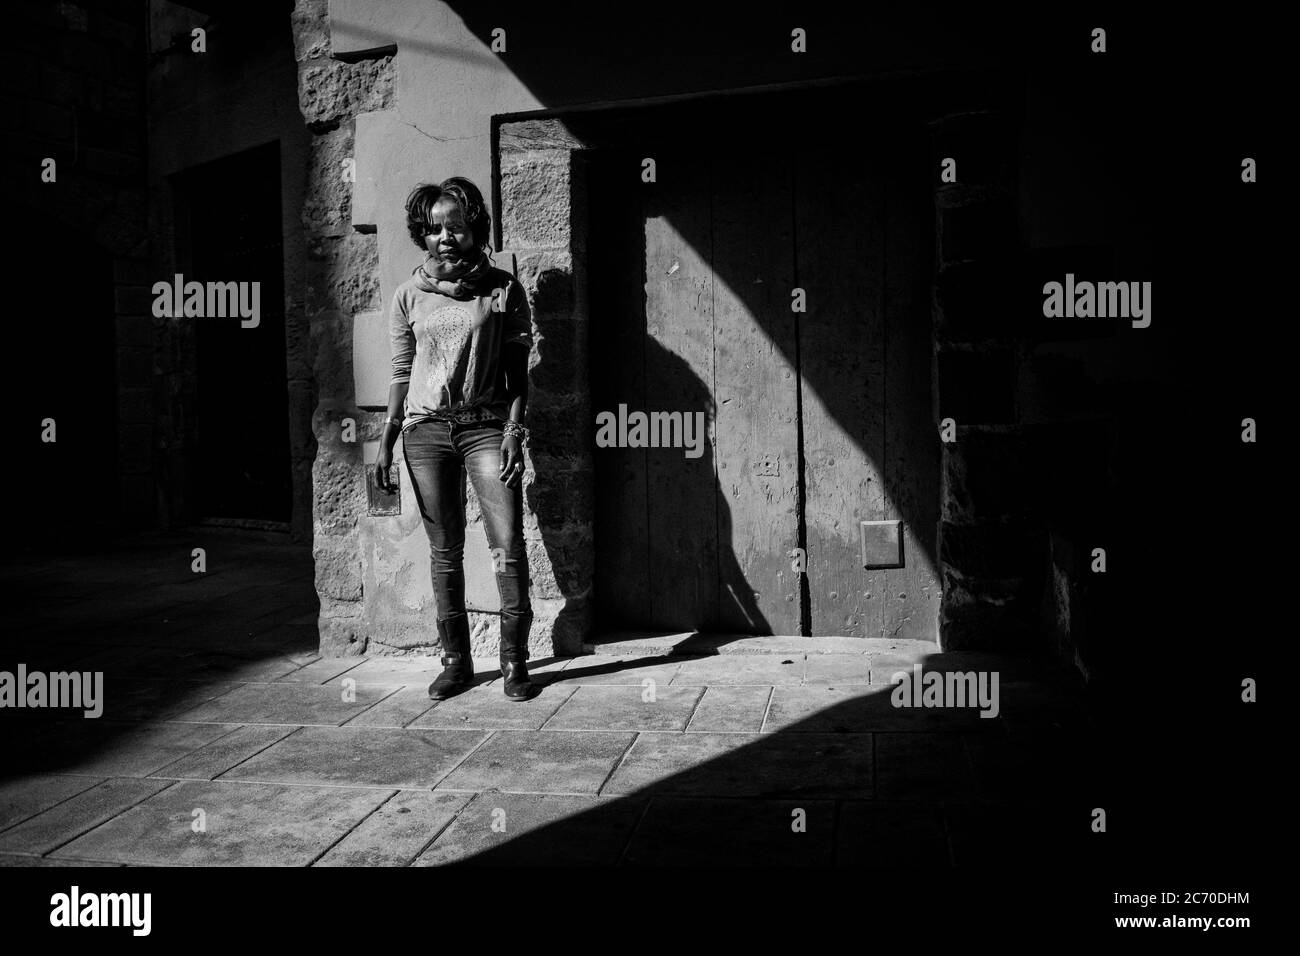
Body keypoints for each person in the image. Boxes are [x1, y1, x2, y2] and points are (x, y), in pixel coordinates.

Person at [374, 177, 537, 701]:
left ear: (475, 230)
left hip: (486, 426)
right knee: (445, 551)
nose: (446, 237)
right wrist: (386, 440)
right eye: (435, 229)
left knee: (508, 546)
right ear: (422, 234)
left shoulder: (502, 288)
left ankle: (515, 664)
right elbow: (401, 372)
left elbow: (517, 371)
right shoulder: (407, 296)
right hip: (424, 433)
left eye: (457, 227)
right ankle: (456, 662)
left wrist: (514, 431)